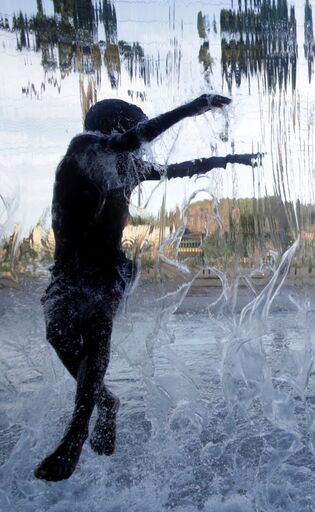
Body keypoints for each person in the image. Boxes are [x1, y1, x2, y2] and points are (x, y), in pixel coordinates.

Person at [35, 95, 263, 481]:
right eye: (132, 129)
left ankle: (76, 433)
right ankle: (105, 401)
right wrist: (192, 108)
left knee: (95, 330)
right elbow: (133, 141)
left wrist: (227, 161)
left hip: (109, 271)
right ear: (111, 128)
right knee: (57, 330)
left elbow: (175, 169)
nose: (141, 143)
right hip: (69, 272)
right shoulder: (84, 149)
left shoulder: (125, 167)